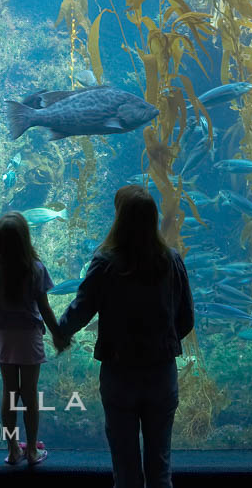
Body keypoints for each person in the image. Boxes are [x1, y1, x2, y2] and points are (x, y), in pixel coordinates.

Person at [55, 185, 195, 488]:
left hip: (120, 374)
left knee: (126, 470)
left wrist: (60, 331)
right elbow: (186, 319)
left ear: (119, 218)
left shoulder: (106, 262)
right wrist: (162, 343)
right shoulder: (171, 261)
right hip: (161, 373)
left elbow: (82, 308)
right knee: (160, 469)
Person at [0, 211, 67, 466]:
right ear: (25, 240)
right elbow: (44, 307)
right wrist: (57, 333)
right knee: (29, 395)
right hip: (30, 337)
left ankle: (12, 450)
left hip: (5, 337)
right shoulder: (36, 268)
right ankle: (31, 450)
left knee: (9, 394)